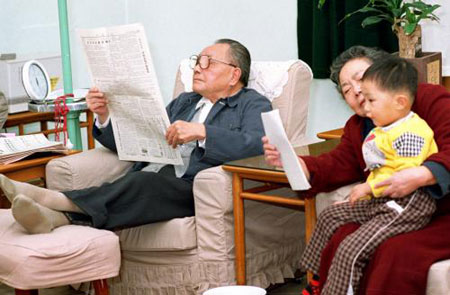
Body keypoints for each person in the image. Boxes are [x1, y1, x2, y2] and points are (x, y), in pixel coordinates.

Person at [1, 38, 272, 234]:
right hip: (151, 176)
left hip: (191, 188)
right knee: (138, 180)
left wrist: (203, 132)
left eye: (207, 62)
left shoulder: (251, 103)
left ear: (234, 74)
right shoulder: (185, 102)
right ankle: (56, 218)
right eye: (196, 62)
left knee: (145, 183)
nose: (197, 68)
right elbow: (138, 143)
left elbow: (256, 145)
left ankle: (53, 199)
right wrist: (105, 116)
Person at [263, 46, 450, 295]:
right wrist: (299, 164)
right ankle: (322, 287)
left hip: (441, 211)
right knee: (343, 232)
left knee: (394, 250)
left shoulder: (427, 98)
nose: (357, 91)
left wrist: (422, 174)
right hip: (391, 206)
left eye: (361, 79)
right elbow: (338, 163)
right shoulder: (359, 126)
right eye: (347, 90)